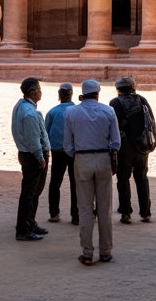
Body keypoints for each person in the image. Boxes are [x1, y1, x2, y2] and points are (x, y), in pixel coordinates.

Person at [63, 78, 121, 265]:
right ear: (97, 93)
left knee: (85, 209)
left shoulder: (71, 112)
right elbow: (116, 142)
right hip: (103, 159)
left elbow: (67, 145)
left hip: (82, 159)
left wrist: (78, 154)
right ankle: (105, 251)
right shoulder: (108, 111)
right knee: (105, 209)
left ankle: (87, 252)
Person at [11, 77, 51, 242]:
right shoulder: (29, 114)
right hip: (33, 157)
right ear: (33, 91)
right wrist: (41, 159)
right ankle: (23, 230)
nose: (41, 92)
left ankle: (30, 223)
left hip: (27, 154)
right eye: (39, 89)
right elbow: (34, 140)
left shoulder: (22, 106)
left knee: (33, 192)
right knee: (29, 193)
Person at [109, 76, 154, 224]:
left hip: (124, 147)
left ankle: (126, 212)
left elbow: (113, 126)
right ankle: (145, 212)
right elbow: (150, 121)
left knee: (123, 179)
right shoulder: (142, 100)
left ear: (118, 89)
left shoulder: (115, 103)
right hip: (141, 145)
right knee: (141, 178)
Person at [44, 83, 79, 225]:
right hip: (74, 152)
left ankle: (54, 213)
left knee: (55, 182)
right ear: (71, 94)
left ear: (59, 95)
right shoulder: (77, 111)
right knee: (75, 183)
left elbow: (45, 133)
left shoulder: (53, 112)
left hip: (57, 151)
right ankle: (75, 215)